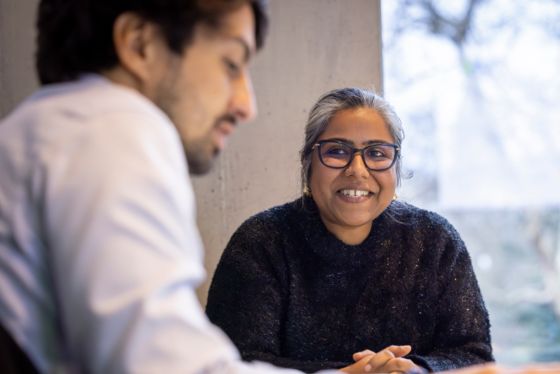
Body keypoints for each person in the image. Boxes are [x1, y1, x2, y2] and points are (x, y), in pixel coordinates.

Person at [0, 1, 351, 373]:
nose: (246, 105)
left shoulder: (40, 131)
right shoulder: (111, 125)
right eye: (231, 64)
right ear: (140, 45)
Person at [206, 87, 495, 373]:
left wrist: (415, 370)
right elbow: (231, 364)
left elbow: (474, 354)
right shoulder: (260, 242)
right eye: (337, 151)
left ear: (396, 167)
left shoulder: (435, 241)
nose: (357, 169)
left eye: (377, 153)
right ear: (308, 164)